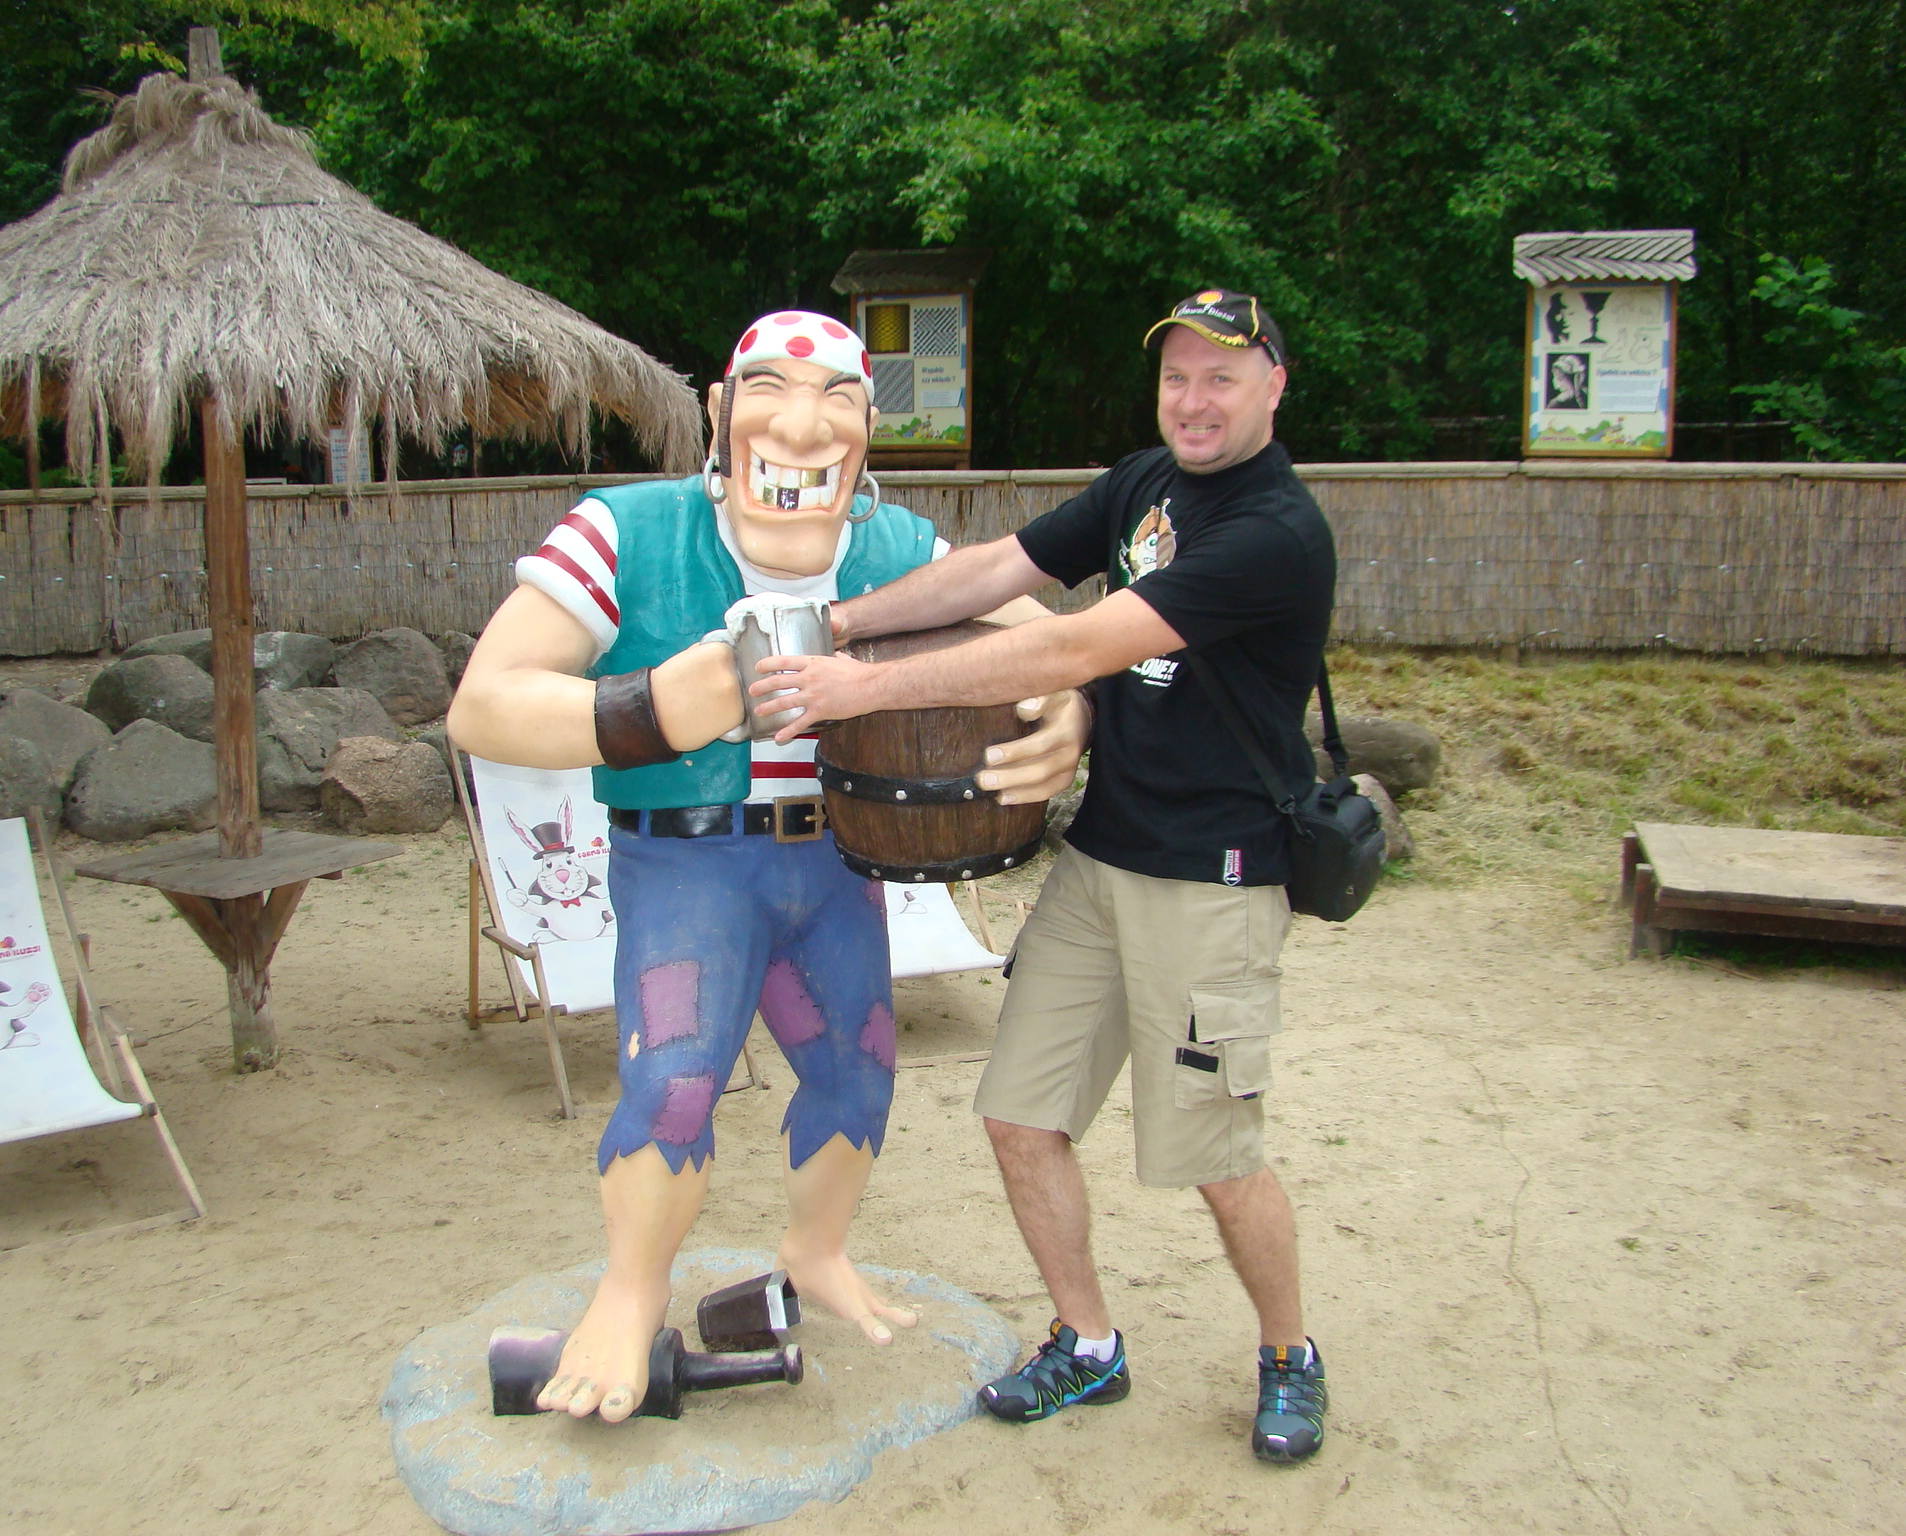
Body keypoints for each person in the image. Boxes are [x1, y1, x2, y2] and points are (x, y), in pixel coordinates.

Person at [448, 310, 1088, 1423]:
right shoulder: (627, 531)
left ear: (869, 429)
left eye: (837, 396)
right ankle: (629, 1291)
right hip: (687, 869)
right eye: (772, 389)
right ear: (719, 410)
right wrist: (651, 707)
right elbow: (484, 705)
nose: (801, 425)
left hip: (837, 863)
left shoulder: (897, 550)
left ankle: (816, 1247)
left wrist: (1069, 704)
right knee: (674, 1082)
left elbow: (1050, 639)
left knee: (859, 1068)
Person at [756, 290, 1337, 1463]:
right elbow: (990, 573)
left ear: (1274, 386)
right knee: (1019, 1114)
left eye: (1221, 377)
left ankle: (1288, 1353)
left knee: (1213, 1153)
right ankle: (1087, 1343)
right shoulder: (1142, 485)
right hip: (1102, 857)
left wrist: (861, 690)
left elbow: (1072, 644)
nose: (1193, 400)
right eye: (1176, 376)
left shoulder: (1275, 532)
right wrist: (840, 624)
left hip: (1211, 883)